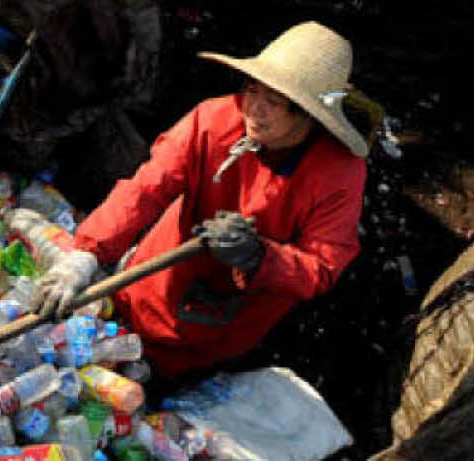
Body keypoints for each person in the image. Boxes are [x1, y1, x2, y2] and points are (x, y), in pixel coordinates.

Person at [29, 22, 370, 376]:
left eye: (274, 102)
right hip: (153, 279)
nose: (255, 109)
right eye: (253, 91)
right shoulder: (215, 120)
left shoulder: (338, 175)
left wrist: (258, 257)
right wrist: (85, 255)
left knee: (162, 385)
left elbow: (323, 266)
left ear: (308, 117)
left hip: (221, 326)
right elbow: (146, 187)